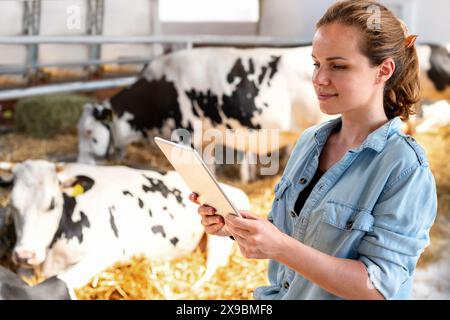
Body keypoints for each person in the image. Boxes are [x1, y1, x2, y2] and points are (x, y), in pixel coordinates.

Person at [189, 0, 437, 300]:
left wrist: (279, 246)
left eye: (338, 65)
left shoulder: (405, 168)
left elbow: (378, 289)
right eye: (317, 63)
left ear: (383, 70)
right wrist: (236, 227)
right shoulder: (310, 142)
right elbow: (291, 232)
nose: (319, 78)